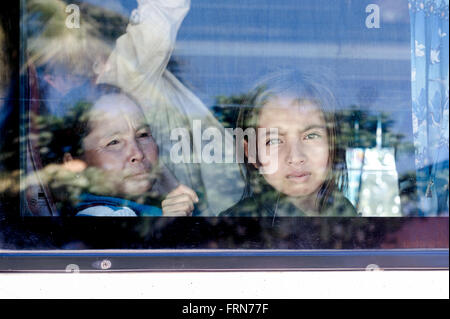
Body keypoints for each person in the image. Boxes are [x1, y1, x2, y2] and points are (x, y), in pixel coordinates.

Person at [39, 84, 199, 217]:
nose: (138, 153)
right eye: (114, 142)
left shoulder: (142, 206)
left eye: (143, 135)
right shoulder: (103, 216)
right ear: (74, 163)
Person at [221, 70, 358, 217]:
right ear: (251, 153)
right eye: (273, 141)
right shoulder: (233, 227)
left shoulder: (346, 216)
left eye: (311, 135)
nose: (295, 157)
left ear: (333, 143)